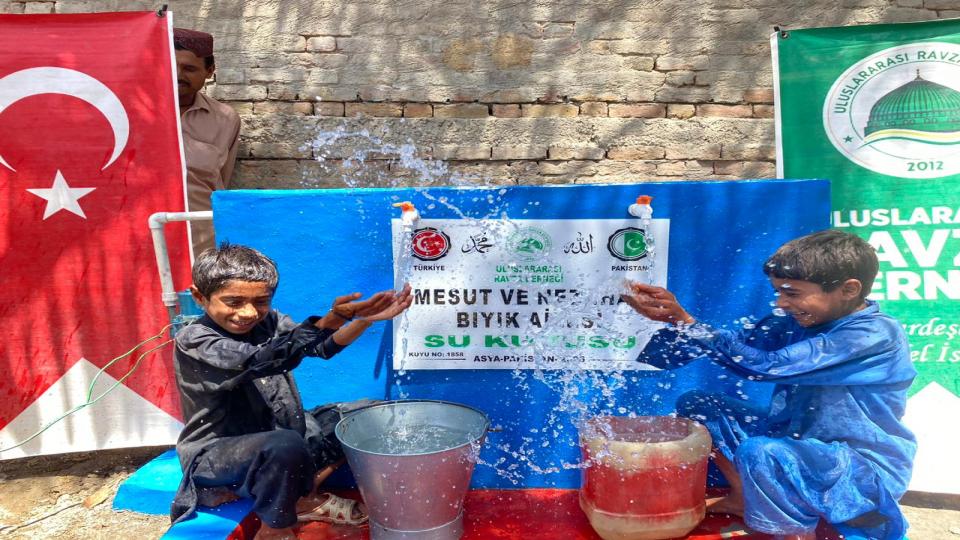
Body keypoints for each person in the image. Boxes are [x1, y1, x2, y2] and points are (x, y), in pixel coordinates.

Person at [622, 230, 916, 540]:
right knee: (698, 406)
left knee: (761, 451)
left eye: (792, 293)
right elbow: (724, 347)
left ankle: (796, 534)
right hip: (795, 444)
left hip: (860, 472)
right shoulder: (792, 322)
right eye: (778, 292)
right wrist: (671, 320)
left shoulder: (873, 335)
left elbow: (766, 367)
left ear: (848, 289)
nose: (781, 303)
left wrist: (688, 322)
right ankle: (743, 497)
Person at [169, 243, 412, 538]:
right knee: (283, 445)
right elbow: (261, 360)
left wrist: (365, 320)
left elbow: (320, 346)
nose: (248, 312)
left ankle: (302, 497)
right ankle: (274, 529)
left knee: (365, 416)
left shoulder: (270, 321)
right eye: (233, 302)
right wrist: (332, 319)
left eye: (260, 301)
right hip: (218, 456)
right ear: (199, 297)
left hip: (280, 440)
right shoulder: (195, 339)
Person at [174, 28, 241, 256]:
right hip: (141, 233)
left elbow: (221, 182)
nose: (178, 74)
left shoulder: (225, 118)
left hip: (200, 240)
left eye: (189, 68)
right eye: (171, 66)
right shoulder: (133, 113)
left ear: (209, 71)